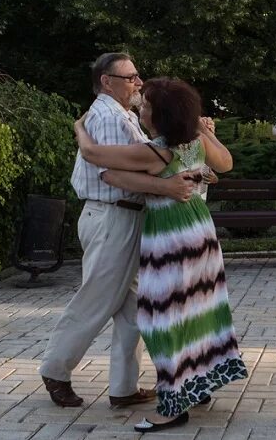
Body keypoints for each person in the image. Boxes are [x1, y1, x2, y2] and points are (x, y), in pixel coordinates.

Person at [73, 77, 247, 433]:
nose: (141, 107)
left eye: (147, 105)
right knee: (198, 309)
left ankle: (172, 406)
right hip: (199, 233)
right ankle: (198, 385)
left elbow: (95, 159)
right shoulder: (194, 142)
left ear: (161, 116)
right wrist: (202, 129)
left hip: (170, 238)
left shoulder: (157, 152)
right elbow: (226, 162)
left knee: (162, 318)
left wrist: (79, 127)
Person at [39, 53, 194, 410]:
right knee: (96, 300)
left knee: (134, 309)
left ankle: (123, 388)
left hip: (125, 217)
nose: (138, 83)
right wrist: (167, 187)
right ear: (107, 81)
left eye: (138, 76)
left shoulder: (122, 114)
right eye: (130, 77)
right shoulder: (107, 115)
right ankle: (55, 369)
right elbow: (110, 173)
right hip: (113, 217)